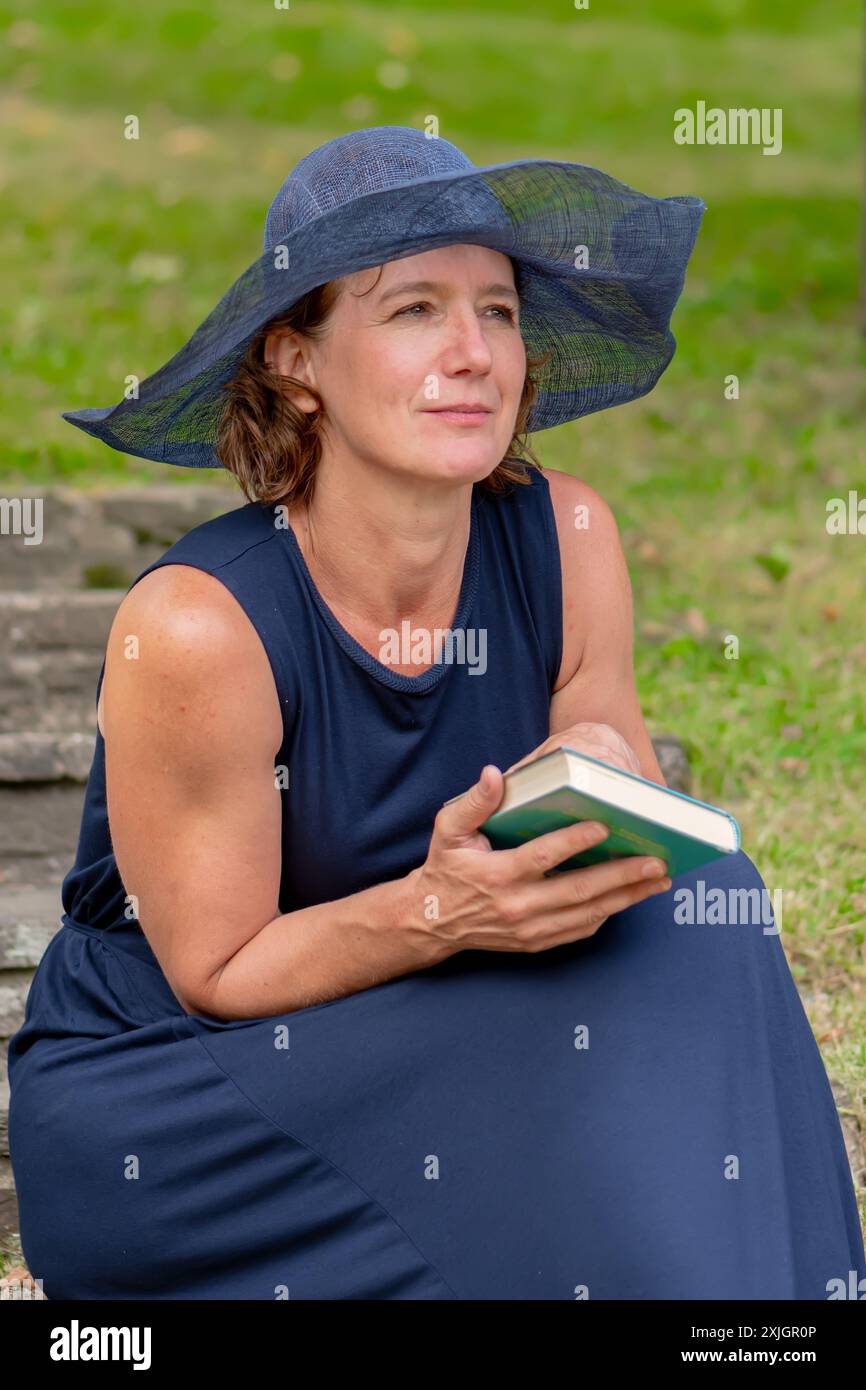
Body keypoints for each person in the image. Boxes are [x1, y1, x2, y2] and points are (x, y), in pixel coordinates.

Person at [8, 127, 864, 1300]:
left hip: (428, 1008)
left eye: (498, 312)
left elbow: (620, 810)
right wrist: (440, 907)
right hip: (191, 1094)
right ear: (295, 359)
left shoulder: (565, 537)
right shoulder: (200, 625)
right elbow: (216, 970)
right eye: (412, 309)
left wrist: (604, 772)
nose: (471, 354)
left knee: (705, 910)